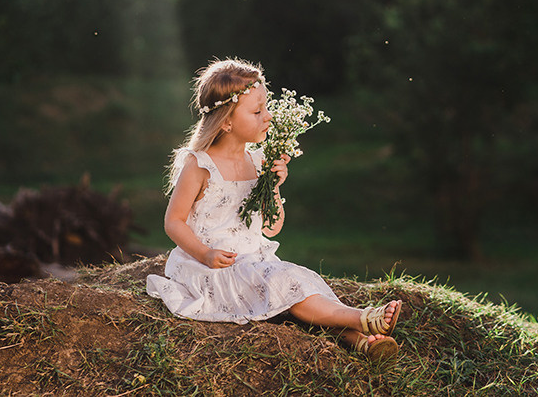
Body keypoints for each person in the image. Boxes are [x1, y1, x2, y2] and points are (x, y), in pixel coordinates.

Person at [146, 58, 402, 360]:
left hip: (254, 261)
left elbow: (271, 227)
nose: (268, 116)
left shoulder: (258, 162)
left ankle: (360, 340)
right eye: (257, 112)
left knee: (295, 288)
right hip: (212, 269)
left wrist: (275, 186)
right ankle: (361, 318)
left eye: (266, 107)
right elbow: (174, 221)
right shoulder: (200, 165)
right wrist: (205, 254)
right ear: (226, 122)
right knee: (283, 287)